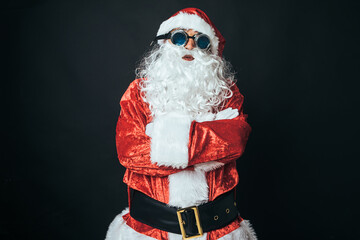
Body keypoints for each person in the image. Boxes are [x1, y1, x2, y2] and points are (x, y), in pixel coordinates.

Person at [105, 8, 257, 240]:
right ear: (165, 43)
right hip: (149, 231)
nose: (188, 46)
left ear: (212, 53)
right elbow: (130, 152)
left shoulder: (226, 93)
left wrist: (161, 140)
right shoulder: (139, 92)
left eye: (201, 41)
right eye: (179, 37)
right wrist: (208, 147)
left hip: (217, 231)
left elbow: (235, 141)